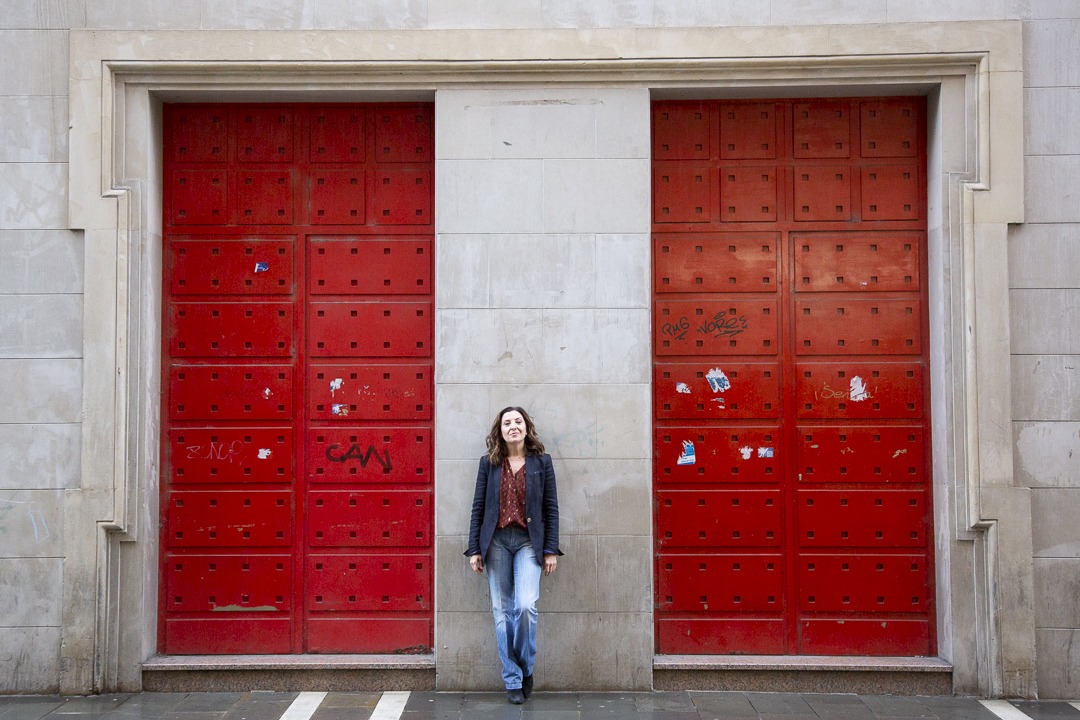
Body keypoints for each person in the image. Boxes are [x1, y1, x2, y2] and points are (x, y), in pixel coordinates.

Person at [464, 406, 562, 704]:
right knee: (502, 613)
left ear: (526, 427)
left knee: (525, 606)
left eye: (518, 421)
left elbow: (551, 509)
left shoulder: (541, 463)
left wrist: (550, 550)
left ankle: (525, 668)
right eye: (507, 423)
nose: (513, 426)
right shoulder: (489, 464)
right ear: (500, 431)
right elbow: (478, 507)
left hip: (528, 543)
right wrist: (474, 549)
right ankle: (512, 679)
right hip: (495, 543)